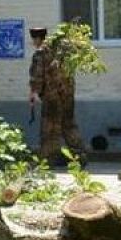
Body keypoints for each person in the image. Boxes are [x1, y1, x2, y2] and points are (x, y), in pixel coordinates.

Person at [28, 27, 84, 165]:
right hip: (67, 95)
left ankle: (48, 158)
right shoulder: (61, 52)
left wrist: (33, 93)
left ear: (37, 39)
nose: (33, 42)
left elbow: (38, 75)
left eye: (34, 39)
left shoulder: (40, 54)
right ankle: (80, 155)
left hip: (51, 96)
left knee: (50, 128)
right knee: (68, 125)